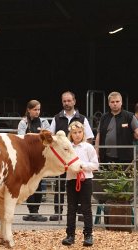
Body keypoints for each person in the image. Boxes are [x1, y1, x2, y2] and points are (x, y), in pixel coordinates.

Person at [49, 91, 94, 221]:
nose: (67, 103)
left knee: (78, 182)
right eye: (64, 101)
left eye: (69, 101)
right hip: (61, 160)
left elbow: (89, 137)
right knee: (59, 185)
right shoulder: (56, 118)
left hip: (76, 159)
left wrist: (83, 153)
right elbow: (52, 138)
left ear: (74, 101)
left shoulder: (82, 118)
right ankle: (58, 212)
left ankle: (80, 212)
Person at [62, 121, 99, 247]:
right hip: (71, 180)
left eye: (79, 132)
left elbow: (95, 165)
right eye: (74, 133)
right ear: (70, 134)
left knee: (86, 208)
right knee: (71, 208)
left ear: (83, 133)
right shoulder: (68, 148)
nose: (77, 135)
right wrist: (69, 167)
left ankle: (88, 235)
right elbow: (63, 164)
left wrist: (83, 166)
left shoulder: (88, 147)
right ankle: (70, 235)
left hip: (86, 180)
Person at [95, 91, 138, 165]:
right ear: (109, 104)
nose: (115, 104)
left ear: (121, 102)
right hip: (106, 157)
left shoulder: (129, 116)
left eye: (117, 101)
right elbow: (99, 135)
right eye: (112, 102)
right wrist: (96, 152)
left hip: (125, 158)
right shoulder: (104, 117)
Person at [18, 99, 50, 222]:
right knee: (29, 184)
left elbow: (48, 138)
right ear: (29, 110)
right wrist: (38, 136)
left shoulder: (44, 122)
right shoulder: (23, 123)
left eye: (39, 109)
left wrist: (41, 135)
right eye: (35, 109)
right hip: (28, 158)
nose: (37, 112)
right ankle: (31, 211)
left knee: (40, 184)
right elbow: (21, 139)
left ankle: (36, 210)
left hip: (41, 158)